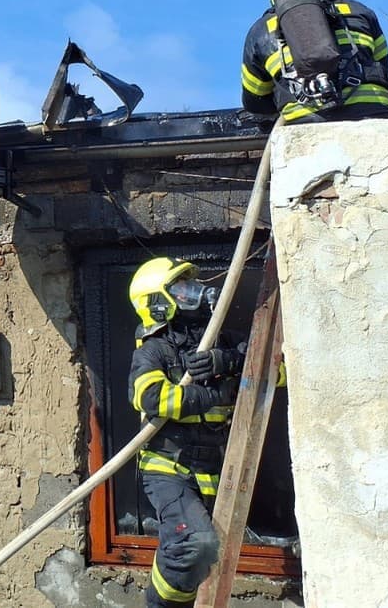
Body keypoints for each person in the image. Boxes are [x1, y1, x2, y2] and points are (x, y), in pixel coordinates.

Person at [127, 257, 244, 608]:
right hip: (168, 467)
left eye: (191, 284)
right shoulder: (154, 349)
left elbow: (280, 372)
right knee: (197, 545)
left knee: (198, 551)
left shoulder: (223, 341)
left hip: (213, 470)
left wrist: (228, 362)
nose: (195, 291)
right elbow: (148, 396)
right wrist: (213, 394)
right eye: (180, 287)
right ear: (158, 302)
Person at [241, 0, 388, 124]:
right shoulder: (359, 12)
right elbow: (386, 72)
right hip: (376, 114)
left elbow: (255, 102)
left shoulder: (261, 30)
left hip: (304, 123)